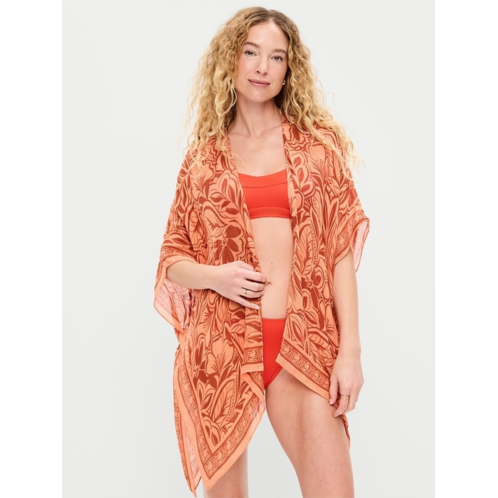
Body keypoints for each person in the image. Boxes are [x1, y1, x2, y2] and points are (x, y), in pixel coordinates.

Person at [153, 7, 370, 498]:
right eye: (251, 52)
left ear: (289, 69)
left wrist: (350, 352)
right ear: (231, 58)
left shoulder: (317, 149)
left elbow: (339, 253)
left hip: (303, 346)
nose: (261, 67)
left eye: (276, 57)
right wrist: (217, 277)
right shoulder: (204, 159)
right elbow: (172, 259)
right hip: (222, 350)